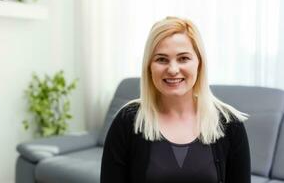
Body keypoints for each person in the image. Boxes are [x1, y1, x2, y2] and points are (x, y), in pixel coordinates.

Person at [100, 16, 251, 183]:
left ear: (199, 63)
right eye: (161, 59)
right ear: (149, 66)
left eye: (183, 58)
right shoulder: (127, 122)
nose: (172, 69)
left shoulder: (230, 124)